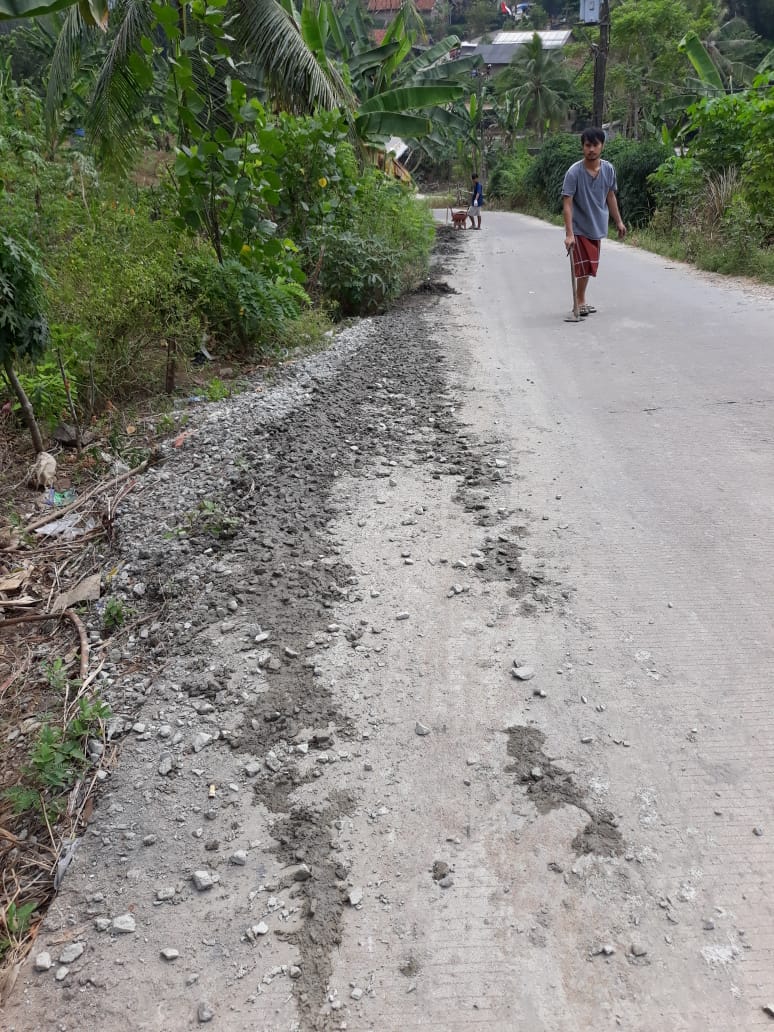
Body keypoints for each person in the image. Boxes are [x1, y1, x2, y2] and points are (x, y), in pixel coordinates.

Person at [561, 127, 626, 321]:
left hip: (598, 225)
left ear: (602, 146)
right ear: (582, 147)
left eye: (595, 145)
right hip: (579, 227)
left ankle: (581, 299)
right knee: (585, 265)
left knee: (590, 266)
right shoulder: (574, 172)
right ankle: (579, 301)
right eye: (587, 145)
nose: (591, 149)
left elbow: (610, 196)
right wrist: (569, 234)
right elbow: (567, 203)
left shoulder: (608, 169)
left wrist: (619, 222)